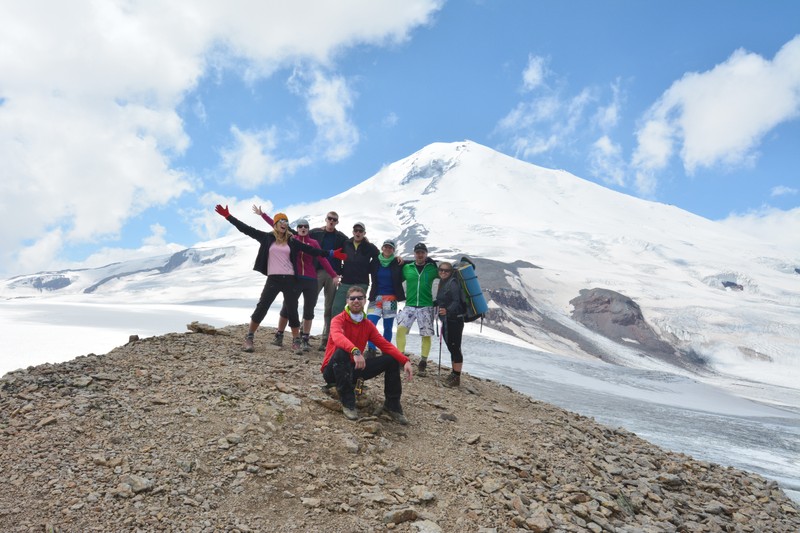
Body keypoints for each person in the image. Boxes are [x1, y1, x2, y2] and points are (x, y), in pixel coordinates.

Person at [214, 204, 333, 353]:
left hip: (290, 279)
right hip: (273, 279)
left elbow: (310, 250)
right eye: (281, 221)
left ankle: (296, 341)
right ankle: (249, 337)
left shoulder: (291, 240)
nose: (284, 224)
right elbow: (246, 229)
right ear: (276, 224)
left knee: (292, 310)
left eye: (286, 221)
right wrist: (228, 216)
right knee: (262, 306)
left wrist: (330, 253)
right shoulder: (267, 237)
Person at [252, 206, 341, 352]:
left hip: (311, 279)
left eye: (306, 226)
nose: (303, 228)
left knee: (309, 310)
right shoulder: (291, 239)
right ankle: (279, 335)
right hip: (296, 279)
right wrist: (263, 215)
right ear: (297, 229)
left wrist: (334, 275)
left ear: (309, 229)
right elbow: (276, 225)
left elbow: (322, 259)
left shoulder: (314, 243)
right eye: (300, 226)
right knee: (287, 308)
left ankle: (305, 339)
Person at [321, 285, 413, 423]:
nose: (356, 301)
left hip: (353, 369)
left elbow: (385, 345)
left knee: (391, 359)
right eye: (352, 298)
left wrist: (405, 360)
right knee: (342, 351)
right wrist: (355, 350)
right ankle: (348, 403)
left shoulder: (367, 325)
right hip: (333, 370)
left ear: (365, 301)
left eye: (360, 298)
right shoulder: (338, 320)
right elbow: (337, 337)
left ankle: (392, 405)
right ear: (347, 301)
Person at [395, 243, 439, 375]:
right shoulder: (407, 268)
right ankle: (401, 358)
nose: (420, 255)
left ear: (426, 254)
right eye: (418, 252)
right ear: (414, 254)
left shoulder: (432, 269)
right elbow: (396, 278)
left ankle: (423, 362)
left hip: (426, 306)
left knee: (426, 335)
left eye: (422, 252)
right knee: (400, 330)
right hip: (409, 305)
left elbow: (445, 275)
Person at [309, 212, 349, 351]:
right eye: (329, 219)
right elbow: (301, 237)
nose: (331, 221)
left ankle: (325, 339)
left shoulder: (341, 237)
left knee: (329, 308)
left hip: (333, 274)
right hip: (317, 271)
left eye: (334, 220)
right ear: (326, 219)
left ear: (337, 222)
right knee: (310, 302)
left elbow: (351, 247)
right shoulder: (316, 233)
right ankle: (303, 334)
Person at [365, 239, 405, 358]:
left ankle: (386, 350)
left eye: (390, 247)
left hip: (391, 298)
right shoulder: (375, 261)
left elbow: (414, 263)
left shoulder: (397, 262)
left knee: (388, 326)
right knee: (370, 323)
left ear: (393, 250)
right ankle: (371, 349)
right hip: (375, 297)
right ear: (382, 248)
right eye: (386, 247)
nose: (388, 249)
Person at [329, 222, 379, 319]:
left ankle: (356, 329)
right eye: (356, 230)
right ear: (353, 232)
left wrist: (369, 268)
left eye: (360, 231)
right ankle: (336, 329)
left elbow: (379, 258)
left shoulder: (369, 246)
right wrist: (339, 271)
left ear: (364, 233)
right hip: (345, 282)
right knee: (336, 308)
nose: (358, 233)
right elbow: (337, 256)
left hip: (361, 283)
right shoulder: (346, 244)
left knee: (356, 310)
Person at [435, 261, 467, 387]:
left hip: (455, 320)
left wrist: (447, 310)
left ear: (451, 272)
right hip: (448, 320)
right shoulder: (444, 282)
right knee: (452, 346)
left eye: (446, 270)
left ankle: (456, 377)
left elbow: (456, 301)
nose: (443, 272)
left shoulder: (452, 283)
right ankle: (454, 374)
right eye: (441, 270)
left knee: (455, 347)